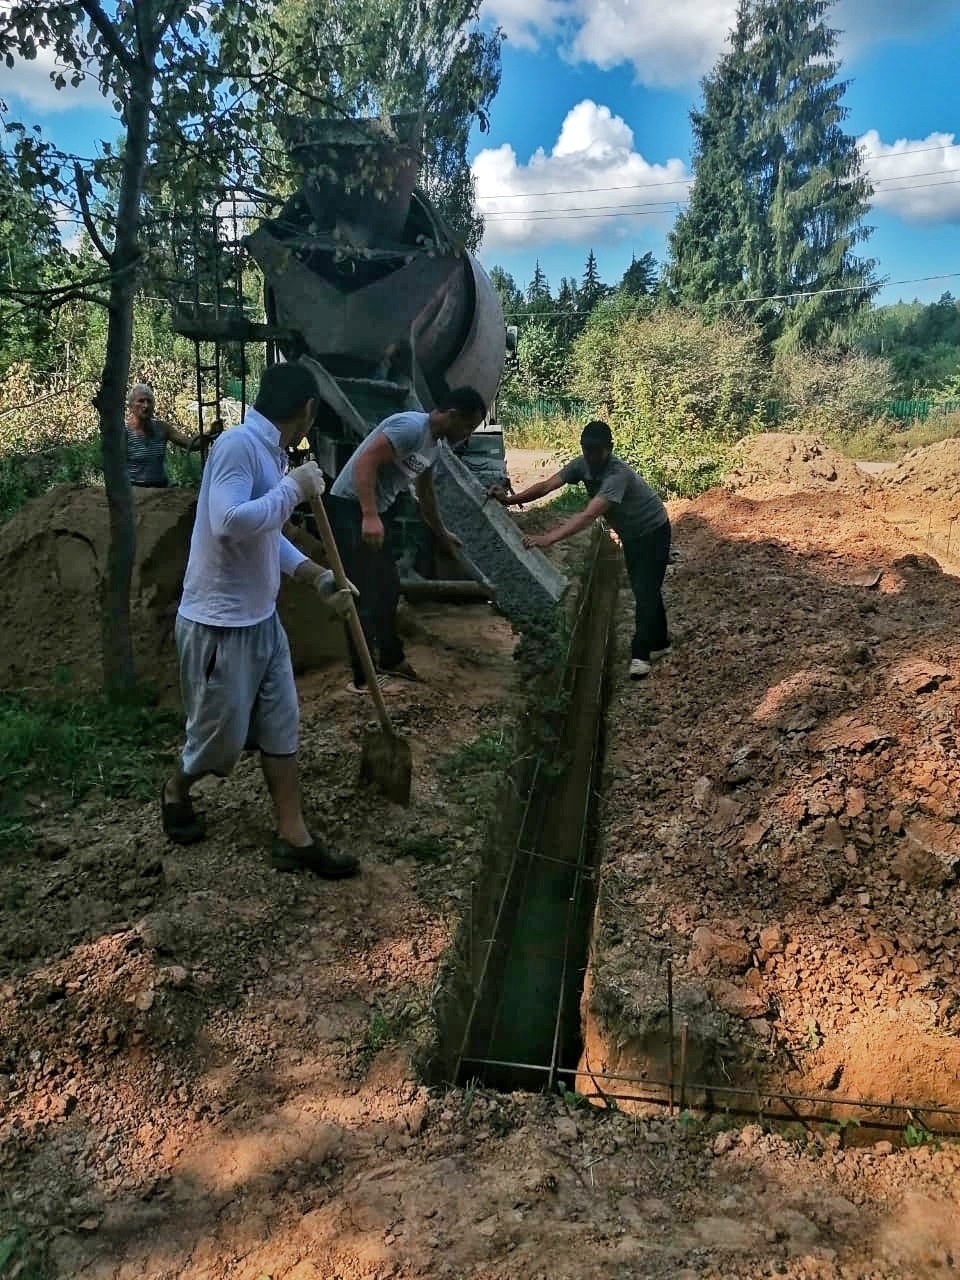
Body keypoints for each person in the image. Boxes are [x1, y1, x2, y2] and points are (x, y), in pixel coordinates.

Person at [161, 361, 360, 878]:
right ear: (308, 410)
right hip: (219, 625)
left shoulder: (270, 455)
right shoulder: (237, 446)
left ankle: (293, 836)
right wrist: (294, 489)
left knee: (281, 723)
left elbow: (266, 535)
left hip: (262, 622)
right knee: (216, 740)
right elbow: (228, 523)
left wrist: (317, 577)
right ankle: (177, 787)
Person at [328, 386, 487, 693]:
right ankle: (363, 677)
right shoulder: (411, 427)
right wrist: (369, 515)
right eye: (467, 426)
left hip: (373, 510)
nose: (467, 435)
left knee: (388, 587)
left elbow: (426, 496)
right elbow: (365, 463)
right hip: (351, 508)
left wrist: (442, 534)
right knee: (361, 591)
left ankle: (390, 658)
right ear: (452, 415)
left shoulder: (433, 446)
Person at [491, 420, 672, 681]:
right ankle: (660, 641)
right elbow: (546, 486)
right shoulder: (582, 464)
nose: (591, 456)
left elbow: (589, 515)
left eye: (596, 451)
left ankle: (640, 655)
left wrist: (548, 538)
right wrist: (510, 499)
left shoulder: (616, 475)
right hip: (631, 535)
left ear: (609, 448)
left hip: (653, 530)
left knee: (646, 589)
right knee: (645, 586)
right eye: (586, 450)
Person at [125, 382, 220, 488]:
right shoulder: (123, 432)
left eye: (149, 401)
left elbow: (192, 444)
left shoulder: (162, 428)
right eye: (141, 401)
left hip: (159, 489)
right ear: (131, 405)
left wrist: (209, 433)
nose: (146, 405)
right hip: (134, 490)